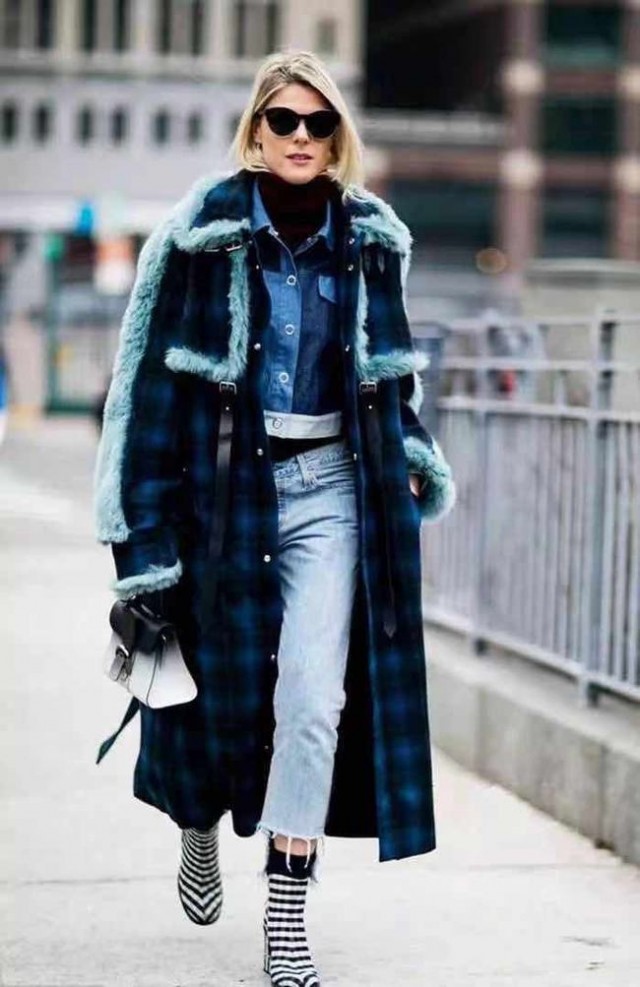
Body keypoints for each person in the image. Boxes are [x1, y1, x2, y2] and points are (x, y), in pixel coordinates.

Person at [94, 49, 456, 987]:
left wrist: (412, 463)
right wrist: (144, 544)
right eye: (284, 120)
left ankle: (287, 910)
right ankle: (197, 823)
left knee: (313, 700)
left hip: (332, 488)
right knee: (211, 699)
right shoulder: (199, 238)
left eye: (318, 123)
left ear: (338, 137)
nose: (301, 136)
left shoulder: (372, 241)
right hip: (223, 495)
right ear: (256, 129)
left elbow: (392, 381)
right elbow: (145, 398)